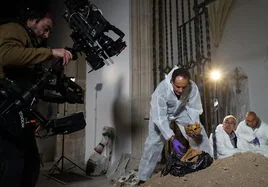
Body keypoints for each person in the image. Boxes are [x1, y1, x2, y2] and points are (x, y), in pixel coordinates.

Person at [0, 7, 73, 187]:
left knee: (31, 163)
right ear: (32, 20)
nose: (47, 35)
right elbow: (7, 56)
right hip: (4, 106)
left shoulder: (30, 42)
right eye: (46, 28)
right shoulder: (14, 29)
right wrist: (50, 52)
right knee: (13, 165)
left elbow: (29, 79)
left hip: (16, 109)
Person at [138, 66, 212, 184]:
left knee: (199, 134)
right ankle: (143, 178)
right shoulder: (161, 89)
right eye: (177, 86)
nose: (181, 90)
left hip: (180, 111)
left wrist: (194, 126)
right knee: (153, 143)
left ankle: (208, 163)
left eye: (184, 87)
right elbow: (159, 117)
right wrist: (172, 138)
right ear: (172, 81)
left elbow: (194, 108)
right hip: (161, 114)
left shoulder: (192, 87)